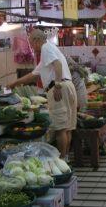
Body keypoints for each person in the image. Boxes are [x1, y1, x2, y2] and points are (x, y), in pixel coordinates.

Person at [8, 29, 77, 158]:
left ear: (37, 40)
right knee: (67, 128)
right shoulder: (48, 51)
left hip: (60, 88)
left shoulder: (46, 47)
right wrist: (14, 84)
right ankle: (65, 159)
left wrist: (57, 85)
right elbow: (34, 75)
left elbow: (57, 64)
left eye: (31, 44)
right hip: (68, 86)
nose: (32, 48)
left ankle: (62, 161)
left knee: (60, 129)